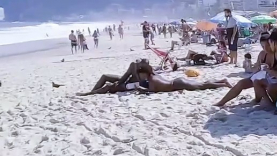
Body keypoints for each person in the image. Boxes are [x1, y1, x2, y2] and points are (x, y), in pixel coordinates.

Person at [75, 60, 231, 96]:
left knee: (200, 85)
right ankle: (221, 82)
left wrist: (139, 88)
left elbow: (148, 91)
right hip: (175, 82)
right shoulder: (152, 76)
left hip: (175, 84)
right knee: (200, 84)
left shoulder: (152, 80)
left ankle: (222, 84)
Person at [214, 33, 276, 107]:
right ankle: (221, 102)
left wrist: (269, 68)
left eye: (267, 45)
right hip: (260, 76)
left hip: (271, 78)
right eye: (263, 46)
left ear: (272, 44)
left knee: (258, 83)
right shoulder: (262, 54)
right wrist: (254, 67)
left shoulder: (276, 54)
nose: (265, 48)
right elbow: (255, 69)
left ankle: (259, 100)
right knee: (241, 83)